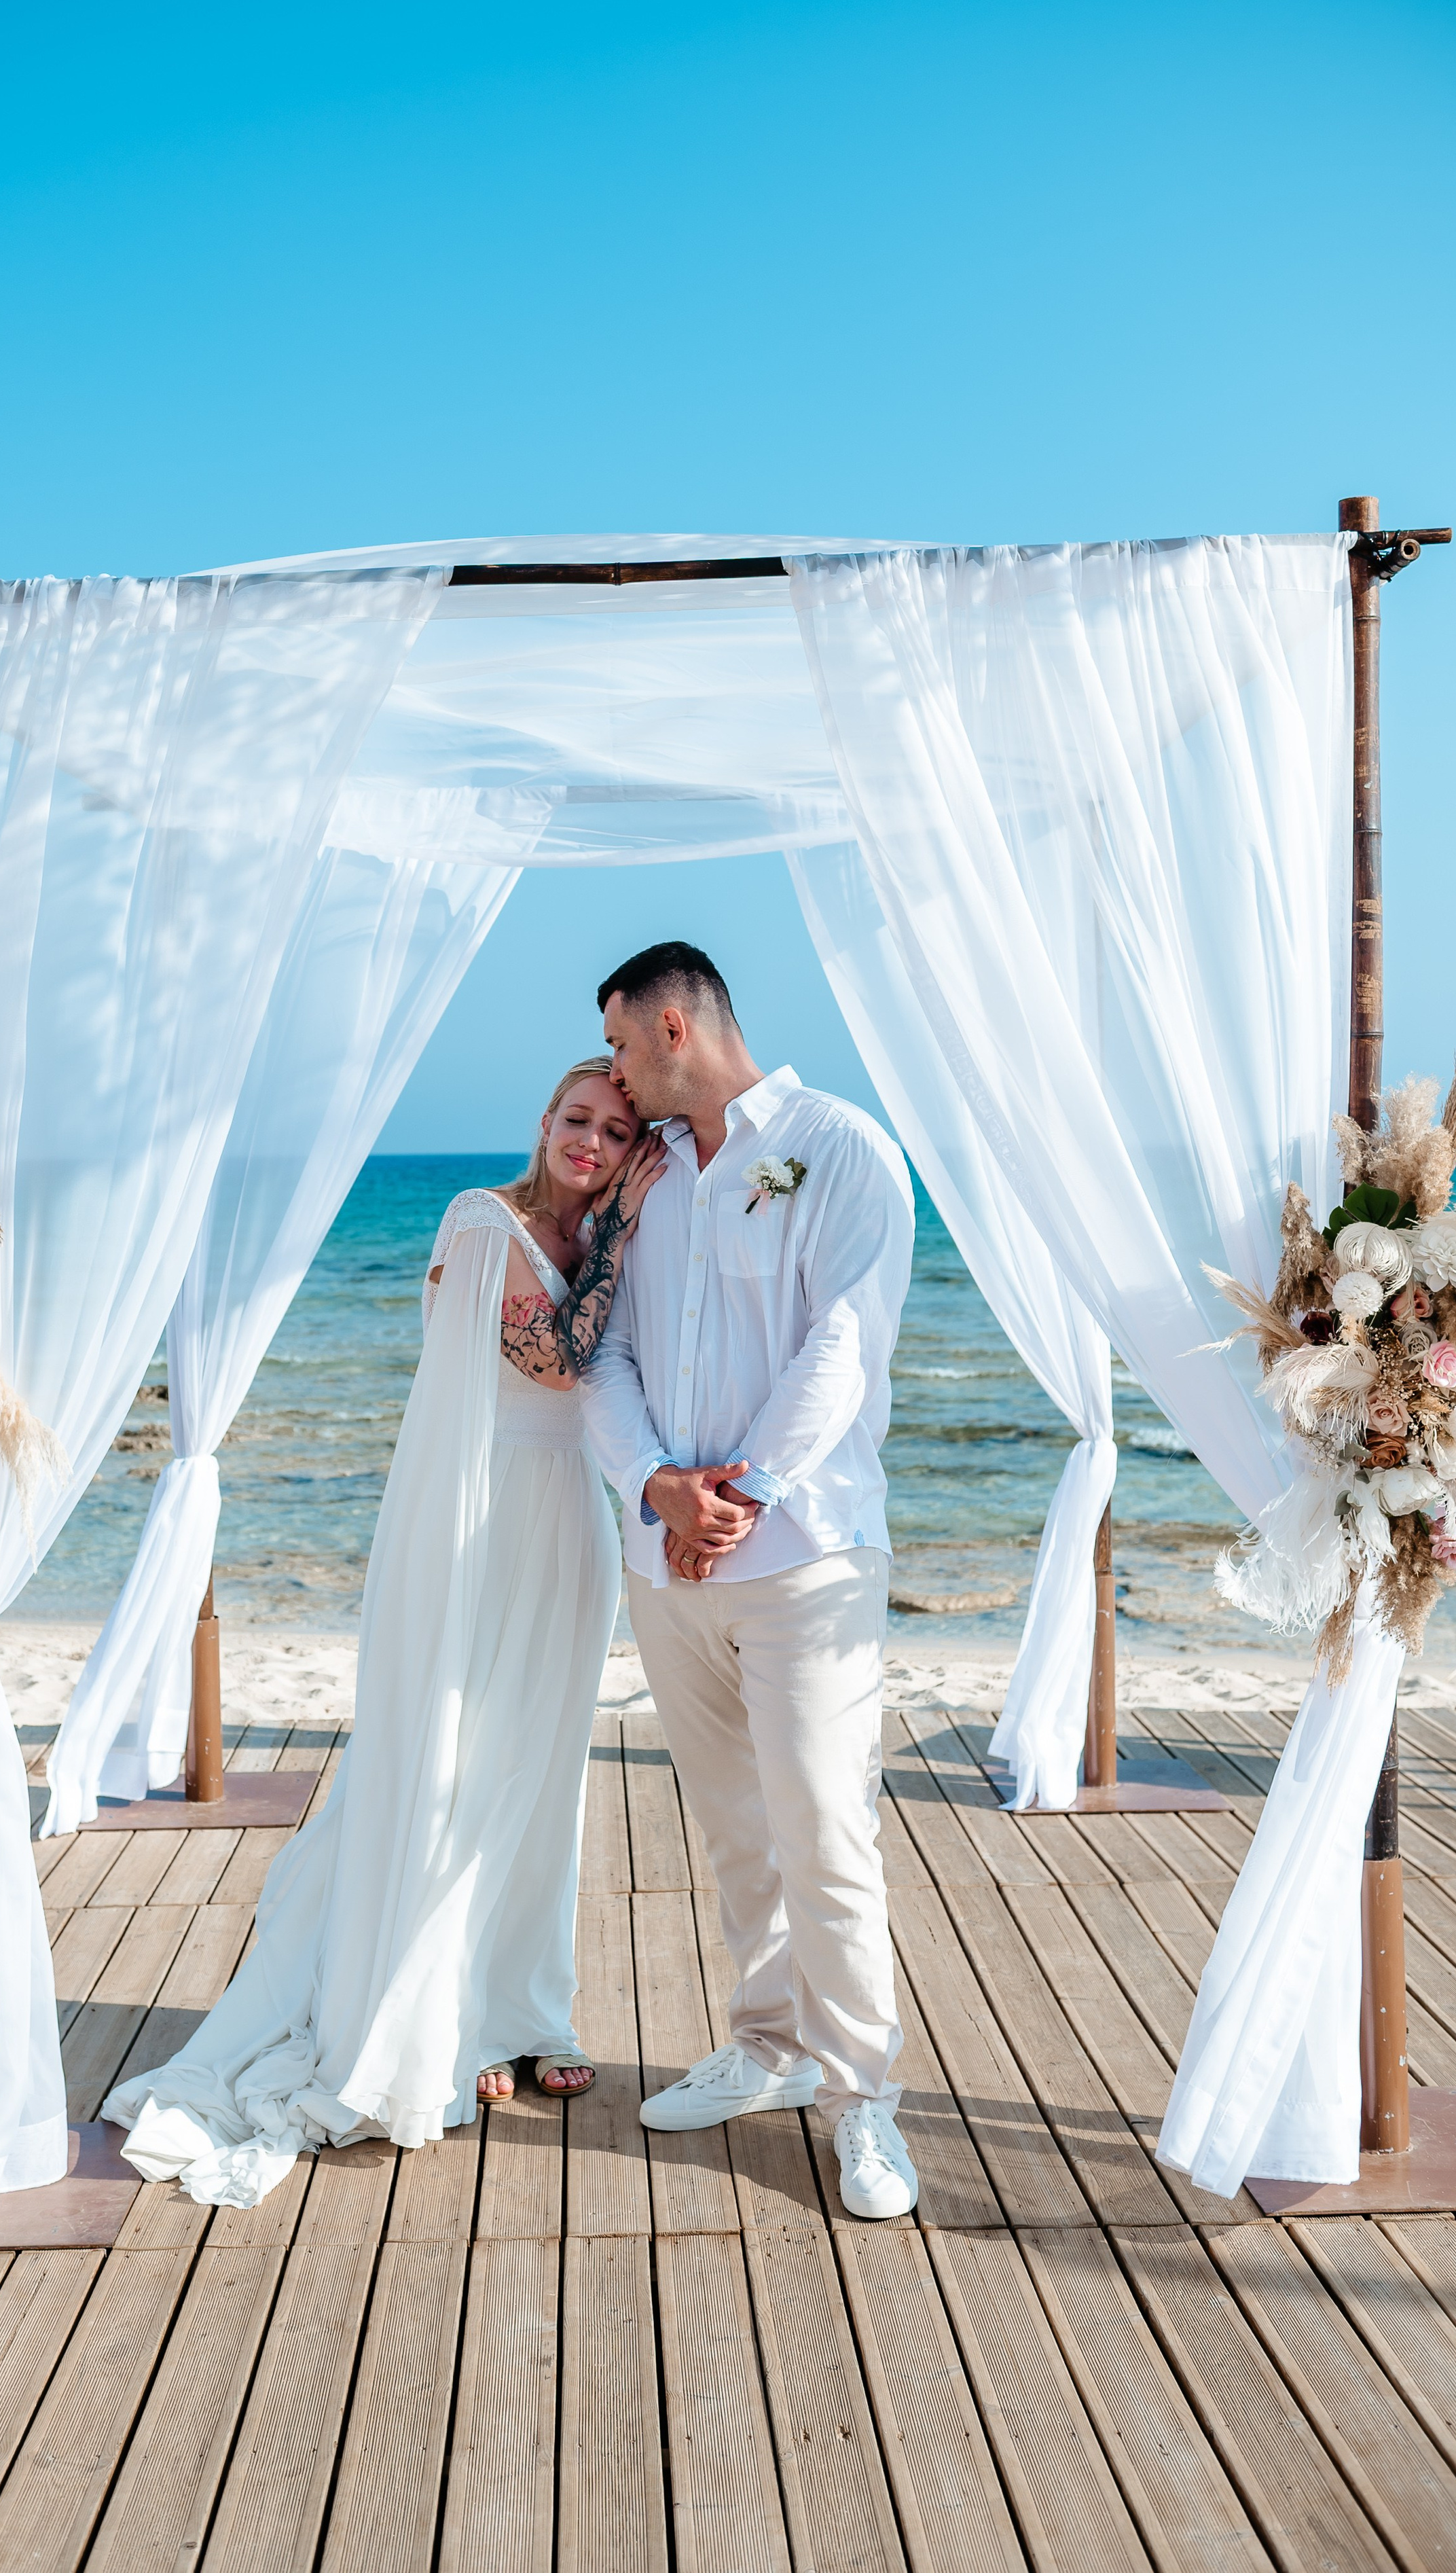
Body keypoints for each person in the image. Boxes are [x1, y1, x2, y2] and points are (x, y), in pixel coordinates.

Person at [103, 1056, 664, 2205]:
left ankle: (521, 2006)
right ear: (543, 1120)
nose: (593, 1145)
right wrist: (624, 1231)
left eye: (617, 1131)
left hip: (571, 1517)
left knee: (541, 1770)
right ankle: (440, 2014)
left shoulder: (619, 1243)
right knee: (454, 1763)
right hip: (474, 1522)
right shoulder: (482, 1222)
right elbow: (553, 1358)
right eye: (577, 1121)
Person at [582, 941, 920, 2220]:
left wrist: (749, 1494)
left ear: (675, 1026)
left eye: (621, 1046)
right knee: (733, 1826)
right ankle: (767, 2045)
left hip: (808, 1554)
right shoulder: (648, 1178)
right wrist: (659, 1486)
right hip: (668, 1562)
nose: (614, 1073)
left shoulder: (841, 1149)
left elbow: (846, 1336)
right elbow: (602, 1348)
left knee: (827, 1827)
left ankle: (863, 2102)